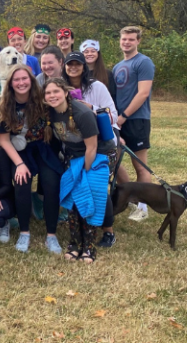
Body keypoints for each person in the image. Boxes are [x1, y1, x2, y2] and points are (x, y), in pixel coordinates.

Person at [43, 78, 116, 263]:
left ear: (66, 92)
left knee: (88, 190)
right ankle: (75, 243)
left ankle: (89, 246)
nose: (52, 96)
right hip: (75, 157)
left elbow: (92, 148)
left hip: (99, 155)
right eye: (48, 93)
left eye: (56, 92)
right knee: (73, 195)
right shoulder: (50, 114)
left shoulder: (82, 113)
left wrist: (84, 172)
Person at [0, 65, 65, 253]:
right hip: (19, 151)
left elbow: (66, 105)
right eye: (16, 80)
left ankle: (51, 235)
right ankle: (24, 232)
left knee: (51, 183)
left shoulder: (42, 99)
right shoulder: (2, 103)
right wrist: (19, 164)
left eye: (24, 78)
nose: (21, 83)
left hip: (43, 147)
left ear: (31, 80)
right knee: (22, 182)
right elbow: (4, 140)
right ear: (10, 83)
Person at [59, 57, 121, 248]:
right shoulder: (61, 87)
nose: (73, 67)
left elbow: (114, 115)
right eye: (70, 64)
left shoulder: (97, 87)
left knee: (98, 185)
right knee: (78, 183)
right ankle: (80, 225)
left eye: (78, 64)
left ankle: (108, 232)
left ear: (84, 67)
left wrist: (91, 108)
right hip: (74, 146)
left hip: (101, 144)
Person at [113, 26, 155, 221]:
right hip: (118, 121)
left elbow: (143, 93)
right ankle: (130, 195)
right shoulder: (117, 66)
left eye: (131, 39)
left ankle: (143, 207)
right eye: (124, 39)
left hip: (137, 120)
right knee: (114, 162)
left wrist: (125, 116)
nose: (127, 42)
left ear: (138, 41)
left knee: (140, 166)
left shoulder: (144, 62)